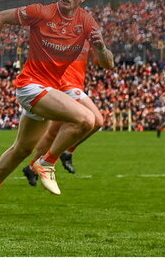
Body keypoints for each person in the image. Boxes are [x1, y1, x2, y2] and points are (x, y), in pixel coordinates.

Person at [0, 0, 114, 216]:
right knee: (87, 120)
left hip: (49, 89)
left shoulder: (86, 21)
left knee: (22, 149)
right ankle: (47, 162)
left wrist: (101, 47)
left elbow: (107, 64)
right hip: (31, 86)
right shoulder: (41, 12)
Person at [21, 46, 108, 186]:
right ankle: (66, 152)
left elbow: (100, 62)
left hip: (75, 84)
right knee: (97, 120)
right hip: (65, 83)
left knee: (52, 134)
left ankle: (31, 167)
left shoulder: (89, 35)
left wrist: (101, 51)